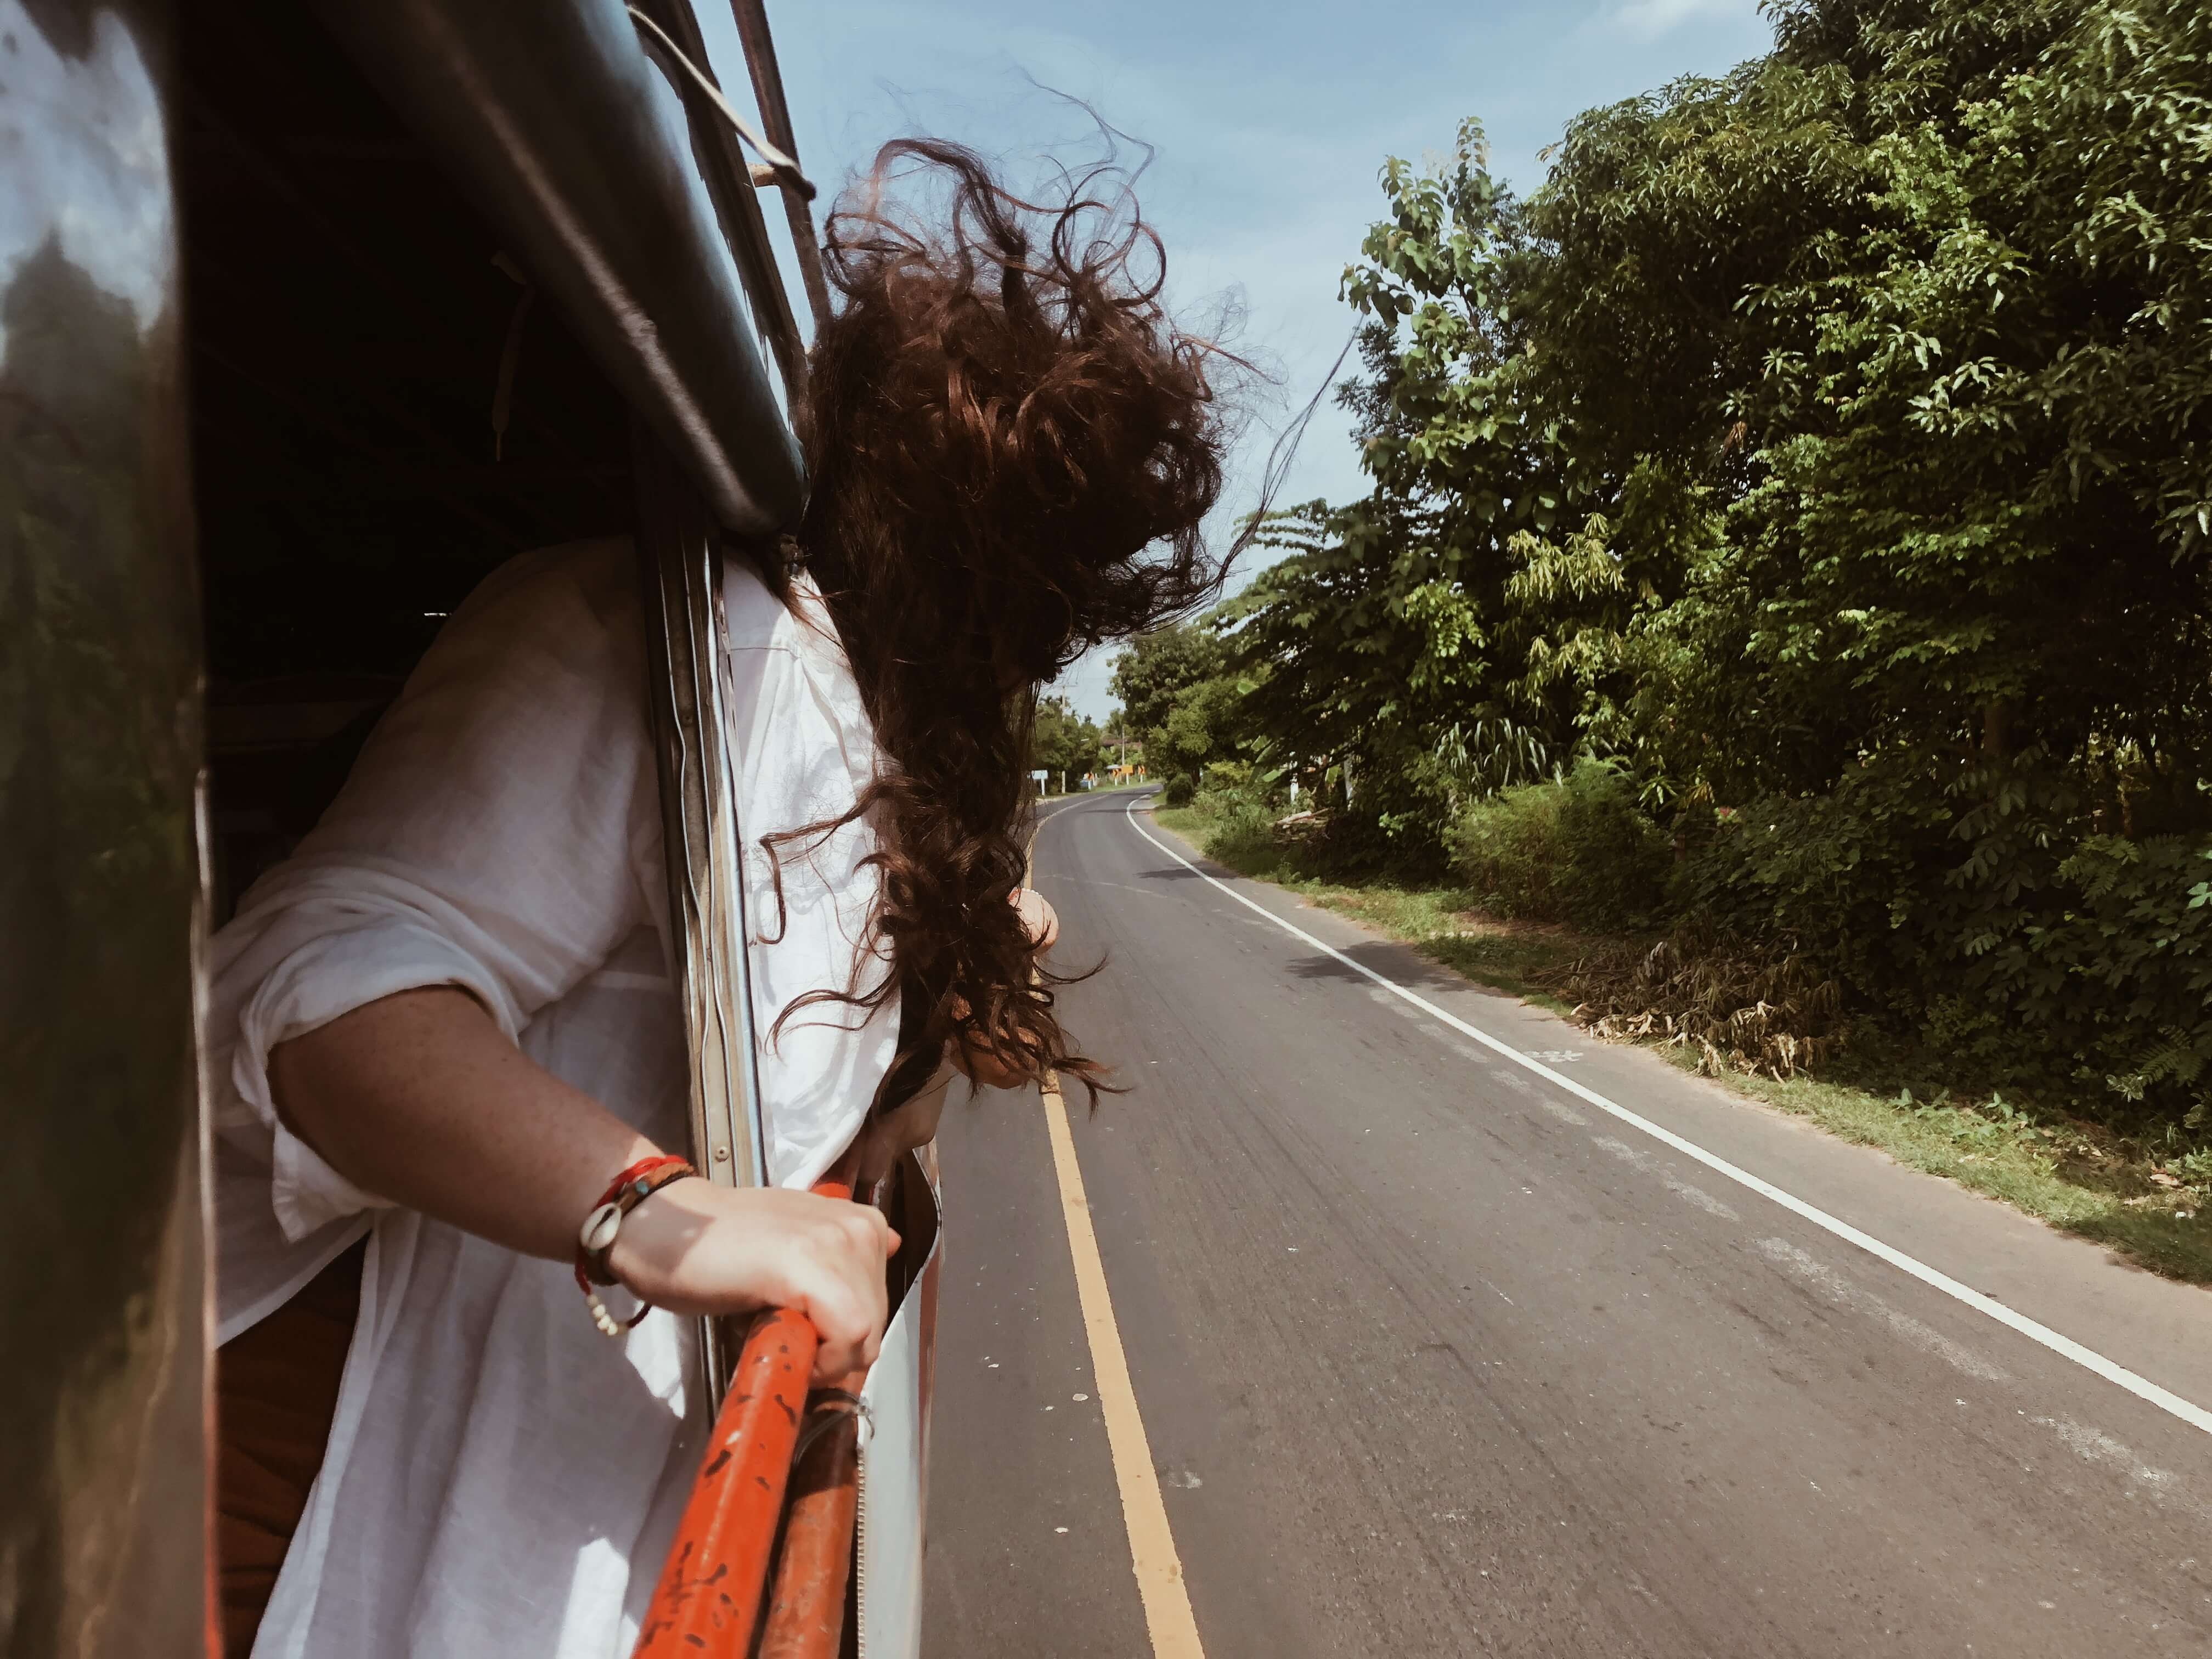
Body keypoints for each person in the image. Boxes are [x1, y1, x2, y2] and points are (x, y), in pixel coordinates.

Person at [210, 139, 1237, 1657]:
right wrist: (663, 1215)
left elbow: (809, 1073)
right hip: (338, 1490)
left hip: (578, 1505)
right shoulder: (667, 638)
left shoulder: (860, 721)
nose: (1043, 644)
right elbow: (324, 998)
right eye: (1037, 581)